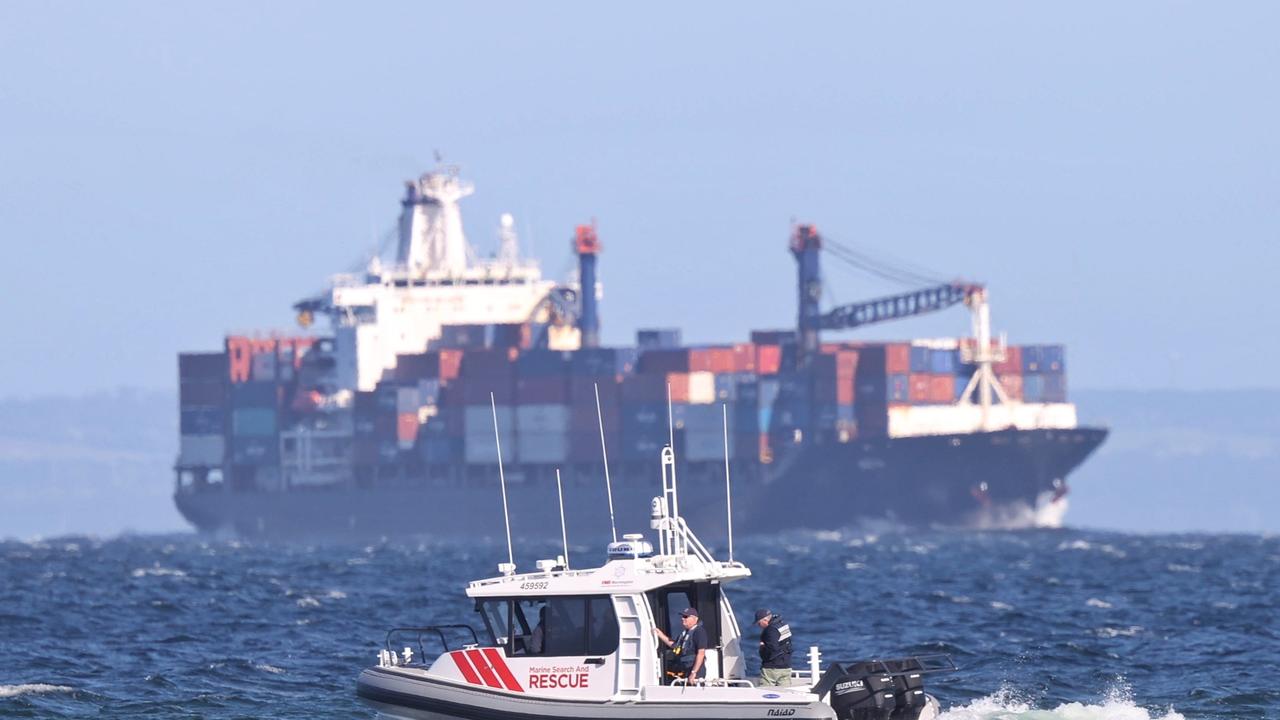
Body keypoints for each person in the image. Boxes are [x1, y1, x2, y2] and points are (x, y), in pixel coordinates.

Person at [653, 607, 708, 682]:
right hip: (685, 670)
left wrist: (693, 672)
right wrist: (659, 634)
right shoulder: (685, 633)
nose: (682, 619)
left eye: (685, 617)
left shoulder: (699, 632)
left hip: (695, 672)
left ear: (694, 619)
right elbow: (674, 645)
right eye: (682, 616)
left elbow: (701, 653)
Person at [755, 608, 793, 686]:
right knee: (784, 693)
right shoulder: (783, 624)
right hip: (786, 665)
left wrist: (762, 648)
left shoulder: (770, 630)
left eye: (759, 623)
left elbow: (772, 649)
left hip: (772, 667)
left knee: (765, 692)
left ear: (765, 620)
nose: (759, 626)